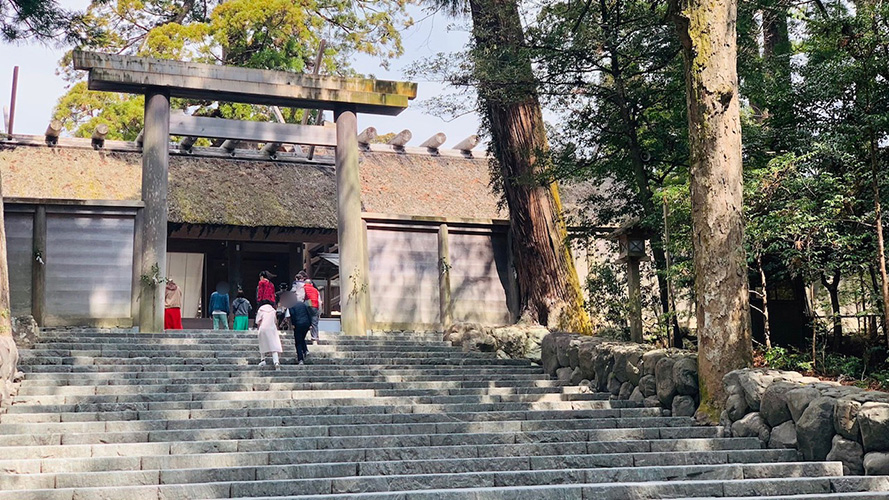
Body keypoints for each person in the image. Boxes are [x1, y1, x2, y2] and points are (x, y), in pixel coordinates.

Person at [254, 299, 282, 370]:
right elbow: (275, 320)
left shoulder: (261, 310)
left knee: (262, 344)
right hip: (272, 328)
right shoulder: (273, 311)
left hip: (263, 328)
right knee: (274, 346)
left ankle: (263, 360)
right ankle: (276, 362)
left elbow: (257, 321)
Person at [288, 299, 312, 365]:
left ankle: (300, 359)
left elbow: (292, 314)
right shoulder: (302, 304)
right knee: (301, 338)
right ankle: (305, 350)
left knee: (298, 342)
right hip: (306, 323)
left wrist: (293, 324)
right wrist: (310, 323)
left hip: (298, 324)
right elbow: (308, 313)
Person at [304, 278, 321, 344]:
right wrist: (319, 311)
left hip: (307, 302)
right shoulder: (316, 290)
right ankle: (315, 338)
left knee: (305, 320)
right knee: (314, 322)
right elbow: (319, 301)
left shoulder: (303, 288)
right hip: (315, 305)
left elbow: (301, 297)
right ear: (311, 284)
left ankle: (303, 336)